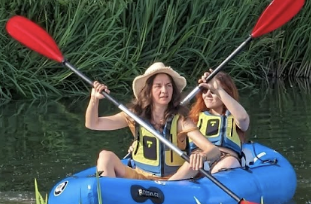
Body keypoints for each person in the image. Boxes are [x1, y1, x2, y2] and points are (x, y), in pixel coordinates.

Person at [86, 62, 221, 181]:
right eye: (158, 86)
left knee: (191, 164)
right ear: (148, 90)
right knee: (105, 156)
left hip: (173, 179)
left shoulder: (181, 120)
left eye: (168, 85)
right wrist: (94, 99)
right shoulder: (134, 115)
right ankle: (108, 196)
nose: (164, 90)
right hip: (140, 176)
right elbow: (93, 124)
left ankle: (166, 190)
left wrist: (202, 156)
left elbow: (214, 150)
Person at [175, 71, 249, 179]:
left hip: (225, 158)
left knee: (228, 163)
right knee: (190, 164)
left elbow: (243, 119)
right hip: (200, 158)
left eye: (213, 91)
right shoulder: (193, 118)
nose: (208, 95)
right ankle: (166, 186)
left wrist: (218, 89)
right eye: (205, 91)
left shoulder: (235, 116)